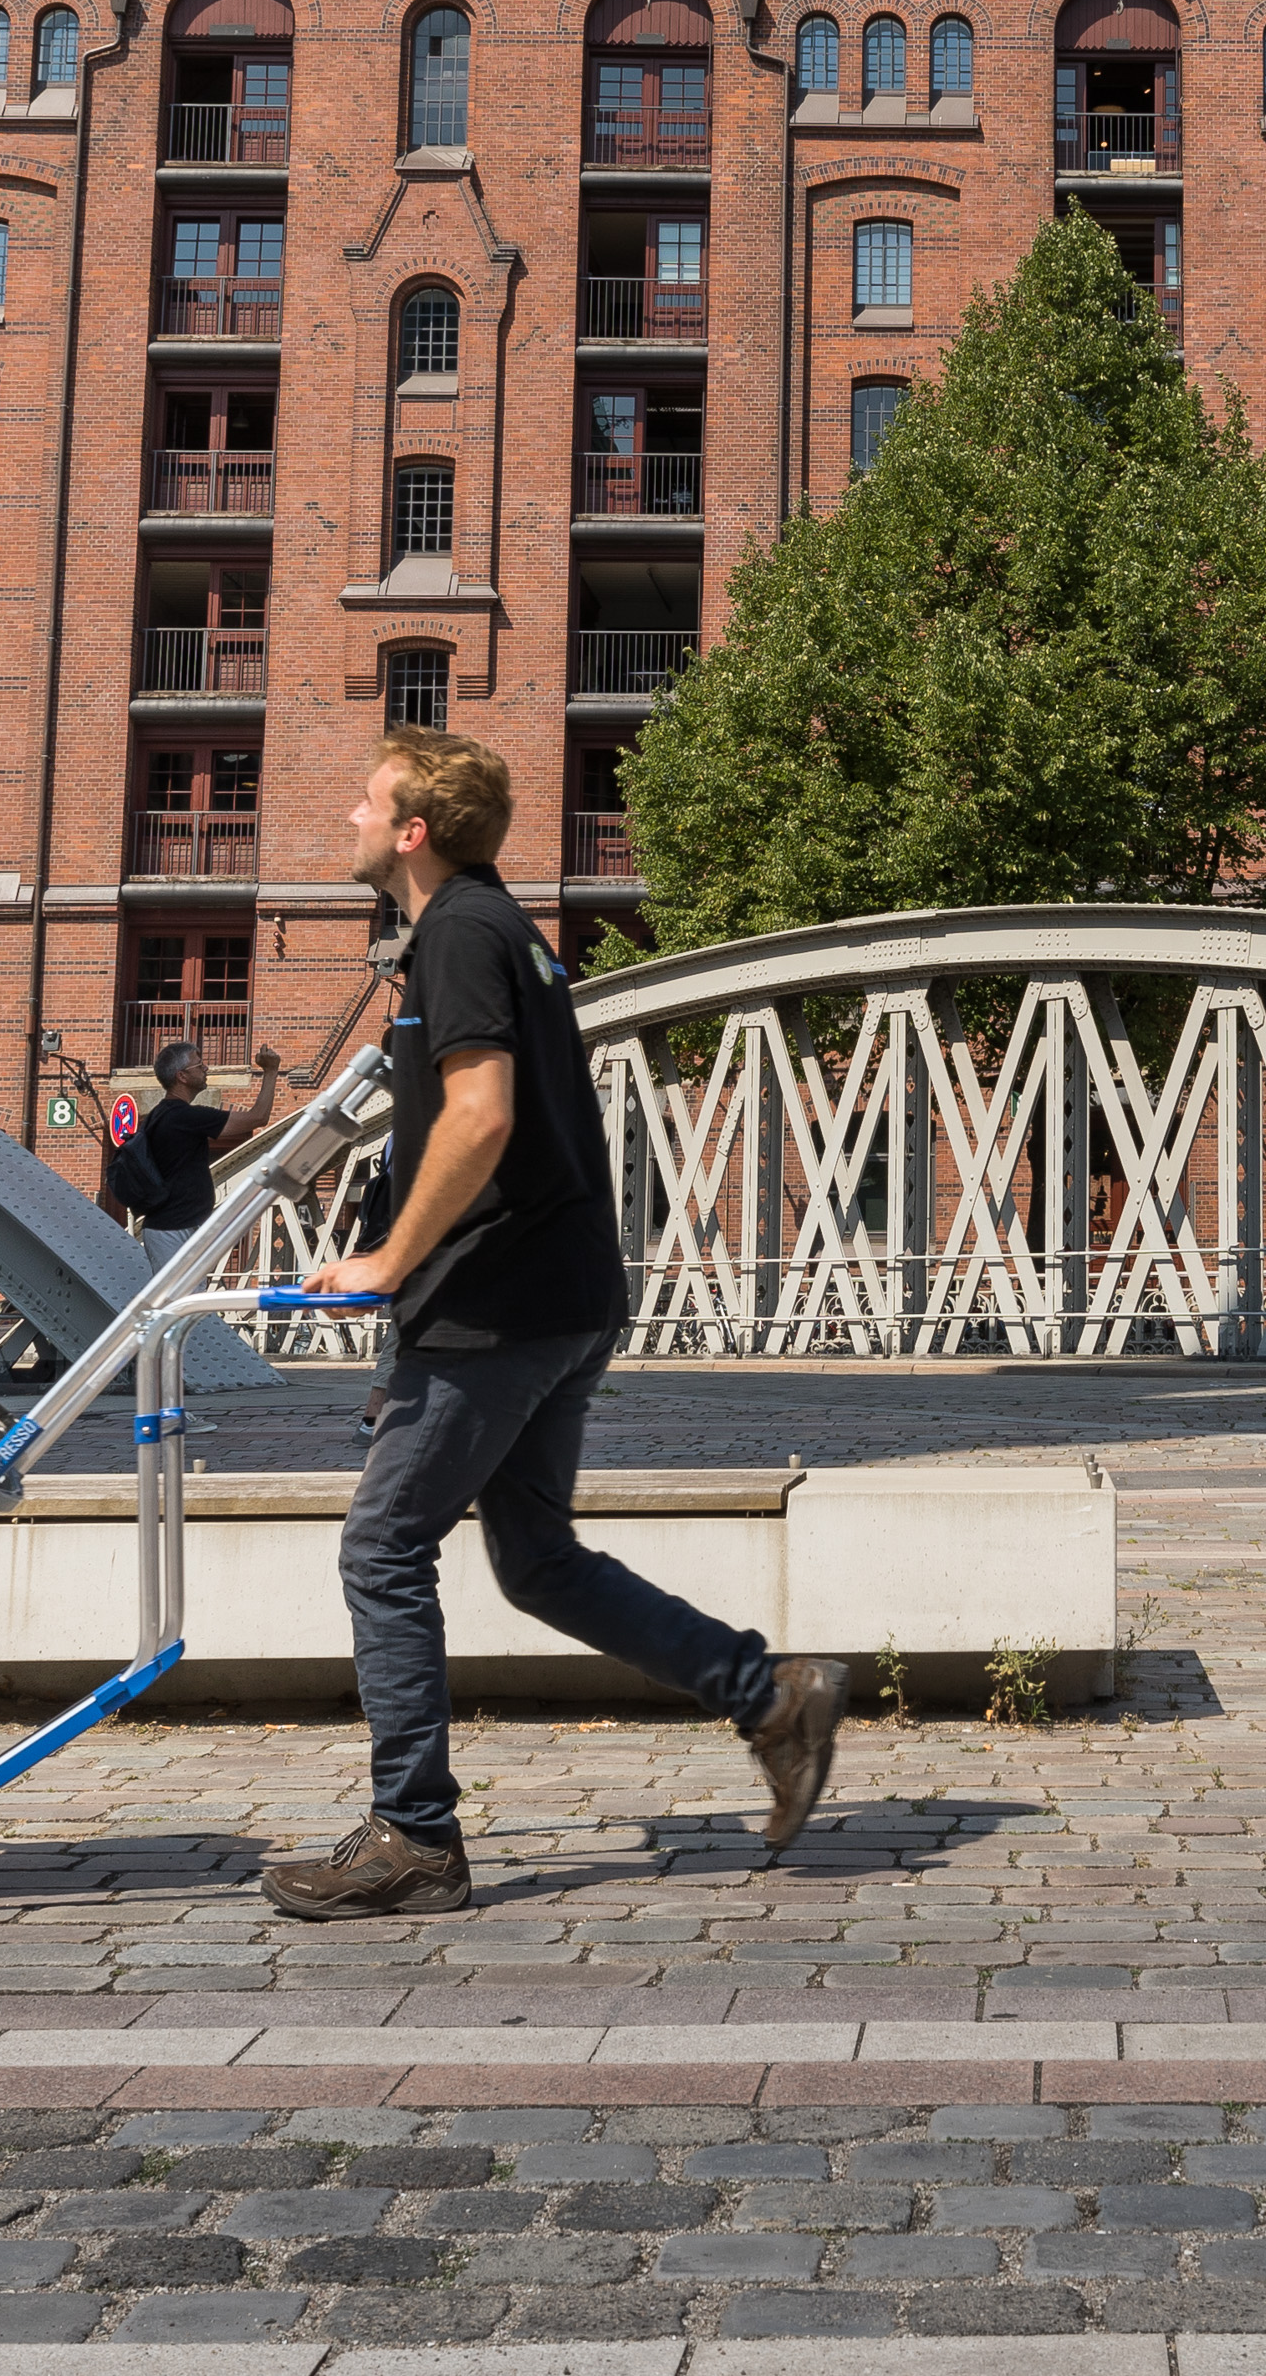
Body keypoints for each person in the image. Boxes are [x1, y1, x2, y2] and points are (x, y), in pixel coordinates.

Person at [260, 726, 845, 1919]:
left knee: (380, 1548)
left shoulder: (460, 935)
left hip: (495, 1301)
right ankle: (765, 1692)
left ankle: (413, 1836)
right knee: (535, 1562)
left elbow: (478, 1119)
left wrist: (385, 1261)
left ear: (413, 831)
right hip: (558, 1292)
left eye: (366, 805)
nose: (350, 822)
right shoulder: (498, 931)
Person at [110, 1037, 289, 1241]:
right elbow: (258, 1117)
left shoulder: (160, 1114)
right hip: (173, 1230)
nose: (206, 1068)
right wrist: (271, 1071)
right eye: (199, 1064)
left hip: (173, 1228)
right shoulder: (185, 1117)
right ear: (182, 1076)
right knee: (179, 1276)